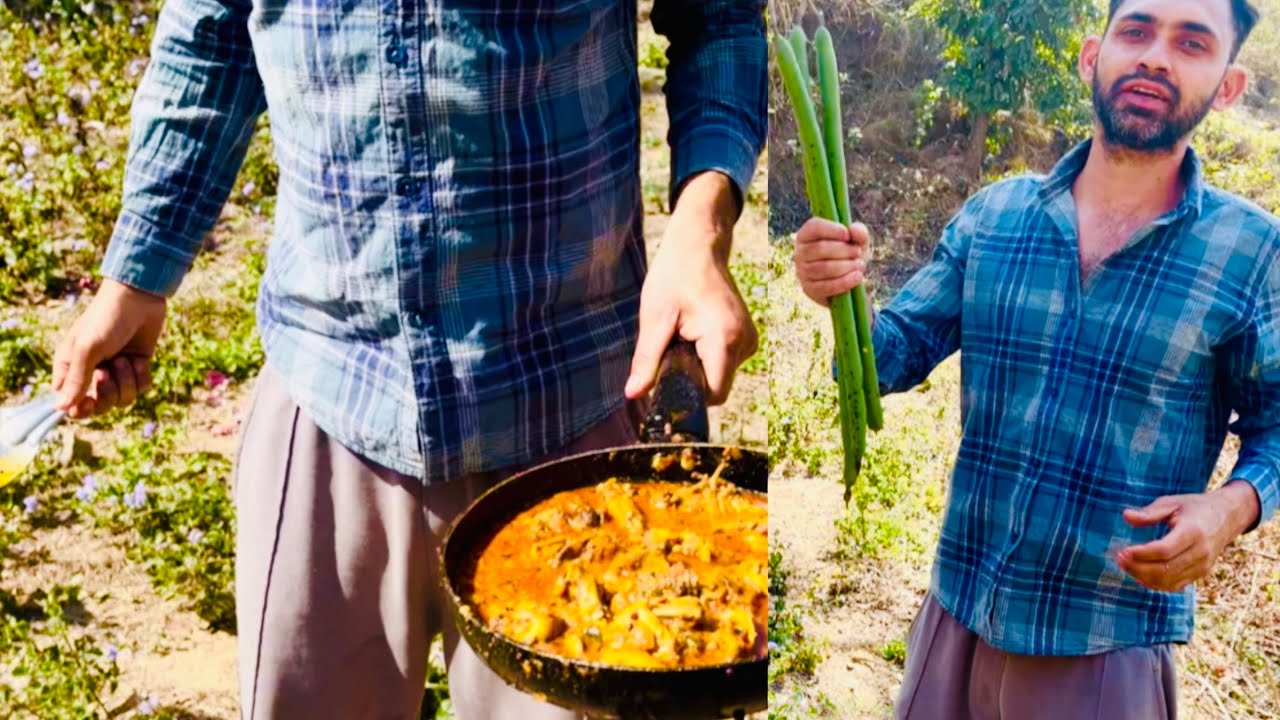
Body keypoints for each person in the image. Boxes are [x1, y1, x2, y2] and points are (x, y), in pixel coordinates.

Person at [49, 0, 766, 717]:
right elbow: (212, 30)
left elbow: (718, 19)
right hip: (331, 391)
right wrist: (138, 277)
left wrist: (701, 231)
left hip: (574, 406)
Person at [793, 0, 1277, 717]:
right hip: (956, 612)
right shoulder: (995, 215)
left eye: (1192, 43)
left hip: (1104, 646)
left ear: (1229, 86)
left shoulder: (1252, 252)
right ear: (1093, 56)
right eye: (1137, 31)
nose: (1155, 58)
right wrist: (840, 295)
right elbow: (890, 356)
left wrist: (1232, 508)